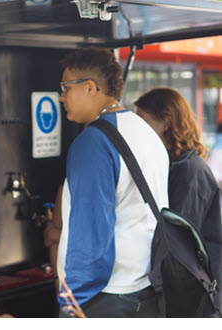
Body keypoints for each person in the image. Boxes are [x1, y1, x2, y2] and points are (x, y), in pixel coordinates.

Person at [56, 47, 169, 317]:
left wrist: (72, 303)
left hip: (103, 299)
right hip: (146, 290)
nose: (61, 97)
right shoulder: (144, 131)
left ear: (90, 87)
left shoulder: (93, 142)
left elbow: (91, 231)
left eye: (66, 87)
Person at [134, 87, 222, 312]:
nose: (137, 128)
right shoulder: (172, 165)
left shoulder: (190, 171)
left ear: (165, 122)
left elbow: (177, 241)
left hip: (195, 294)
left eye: (143, 120)